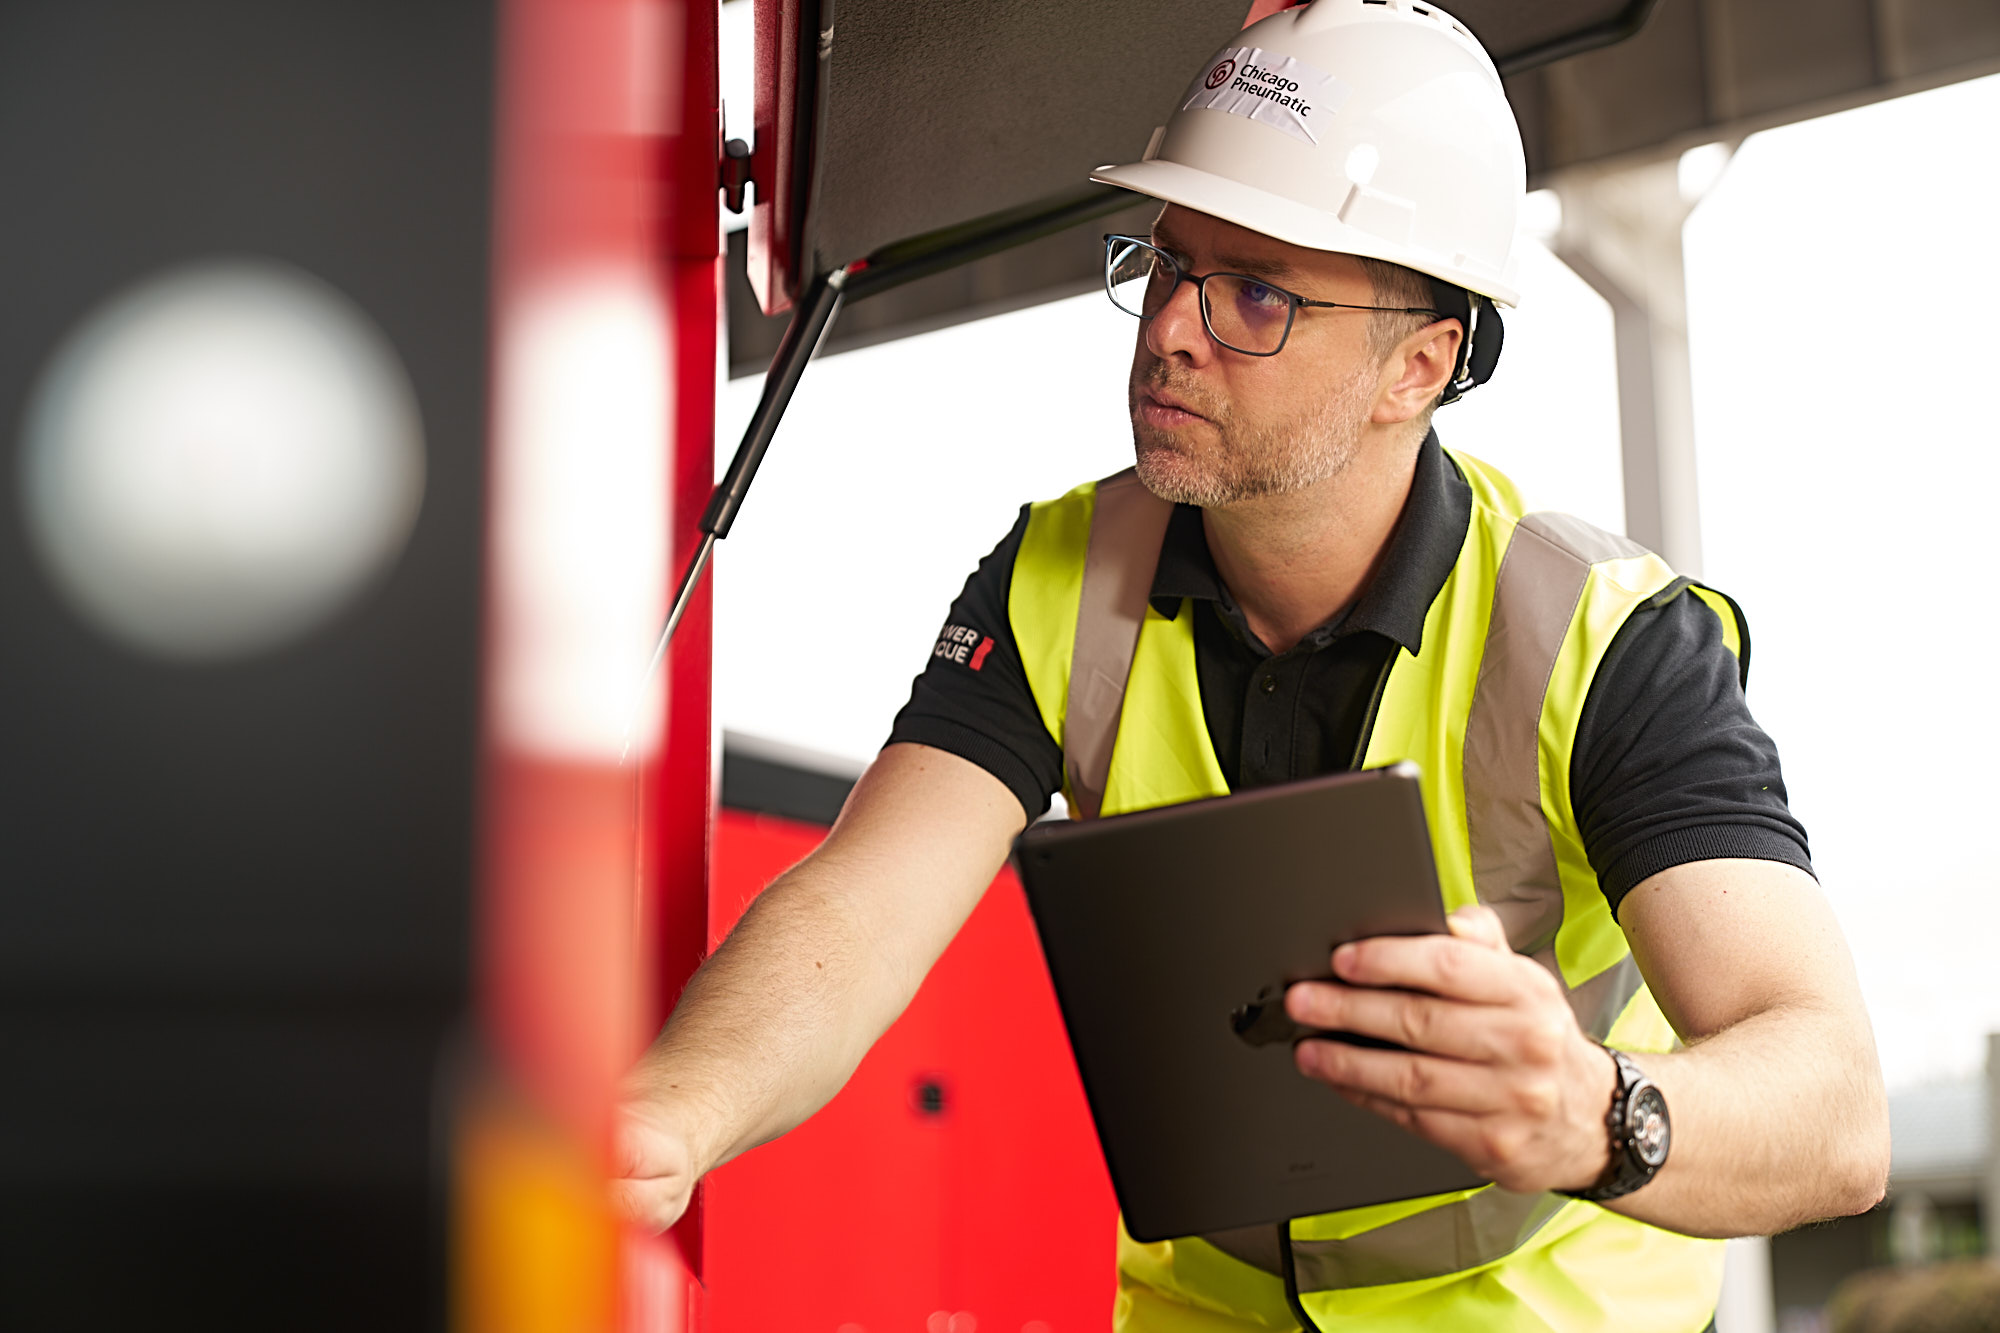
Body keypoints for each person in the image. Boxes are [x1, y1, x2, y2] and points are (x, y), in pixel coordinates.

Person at [614, 1, 1889, 1327]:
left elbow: (1837, 1106)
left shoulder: (1606, 638)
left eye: (1257, 295)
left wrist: (1590, 1111)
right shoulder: (1055, 577)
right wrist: (669, 1121)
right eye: (1168, 265)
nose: (1171, 327)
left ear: (1419, 365)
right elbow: (860, 914)